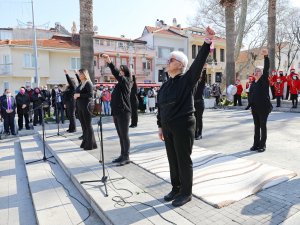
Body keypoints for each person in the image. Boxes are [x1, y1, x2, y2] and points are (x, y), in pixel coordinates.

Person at [157, 26, 215, 207]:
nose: (167, 61)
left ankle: (186, 193)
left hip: (183, 124)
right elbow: (161, 107)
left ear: (180, 64)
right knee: (172, 159)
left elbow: (198, 64)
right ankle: (176, 188)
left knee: (183, 159)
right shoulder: (165, 85)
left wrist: (206, 42)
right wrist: (160, 126)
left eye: (171, 59)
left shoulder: (187, 79)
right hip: (167, 126)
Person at [101, 54, 132, 166]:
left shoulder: (127, 81)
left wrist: (110, 63)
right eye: (120, 70)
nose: (120, 72)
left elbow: (115, 74)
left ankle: (126, 156)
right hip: (117, 112)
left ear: (126, 72)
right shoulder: (120, 82)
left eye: (122, 71)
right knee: (120, 135)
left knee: (124, 135)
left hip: (124, 112)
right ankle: (122, 154)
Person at [247, 49, 272, 152]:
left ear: (262, 73)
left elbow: (266, 68)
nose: (257, 72)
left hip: (263, 108)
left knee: (262, 126)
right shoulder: (253, 83)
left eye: (259, 71)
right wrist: (250, 105)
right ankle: (255, 144)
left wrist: (266, 57)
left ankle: (262, 145)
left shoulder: (263, 80)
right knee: (256, 127)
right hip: (255, 108)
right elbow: (251, 95)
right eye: (256, 70)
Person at [74, 69, 97, 150]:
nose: (79, 75)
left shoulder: (88, 83)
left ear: (84, 74)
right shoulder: (81, 83)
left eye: (80, 74)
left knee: (88, 125)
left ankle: (90, 144)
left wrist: (79, 95)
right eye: (79, 74)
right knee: (83, 126)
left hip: (87, 106)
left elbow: (90, 94)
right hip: (80, 106)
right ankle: (86, 142)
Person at [194, 68, 207, 140]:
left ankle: (199, 134)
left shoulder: (201, 84)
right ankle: (195, 133)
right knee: (194, 119)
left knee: (199, 119)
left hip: (200, 103)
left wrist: (204, 69)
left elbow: (204, 78)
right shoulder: (193, 84)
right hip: (194, 103)